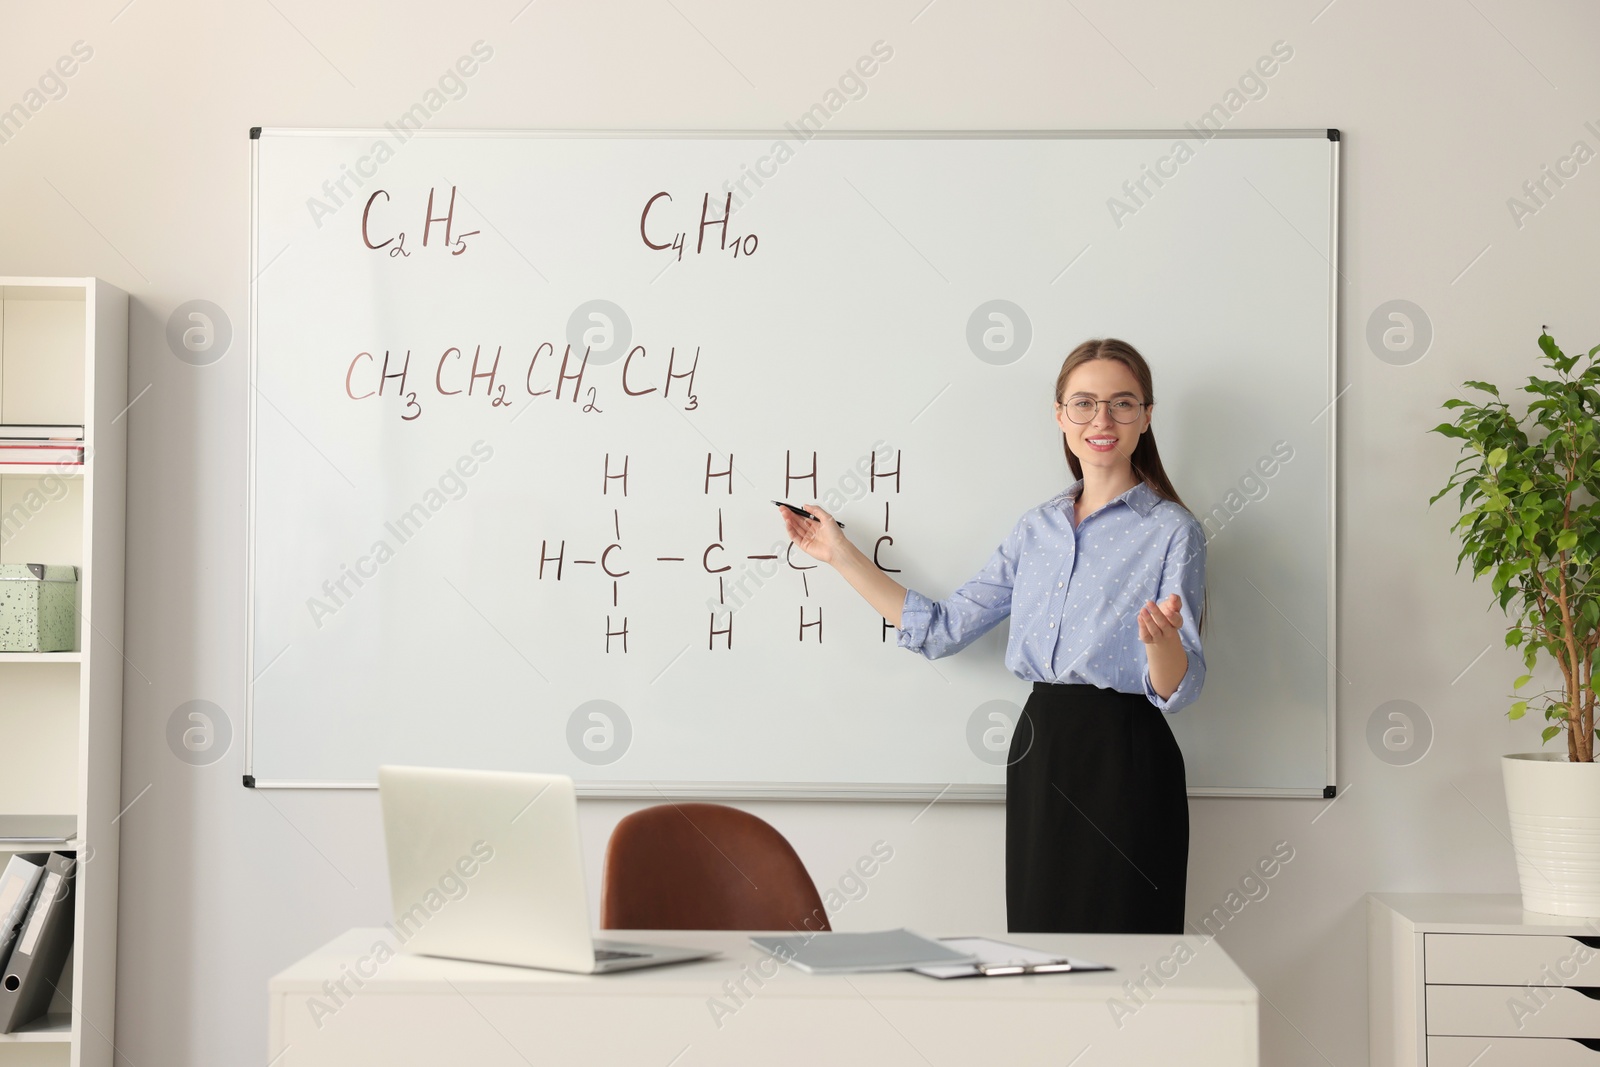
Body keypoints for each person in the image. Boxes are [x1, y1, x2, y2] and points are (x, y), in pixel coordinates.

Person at [776, 337, 1207, 934]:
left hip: (1127, 756)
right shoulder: (1036, 530)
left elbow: (1181, 687)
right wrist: (840, 554)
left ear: (1146, 417)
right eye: (1083, 404)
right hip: (1041, 749)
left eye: (1122, 404)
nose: (1101, 420)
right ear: (1060, 416)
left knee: (1129, 940)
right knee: (1043, 936)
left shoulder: (1172, 530)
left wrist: (1161, 648)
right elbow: (944, 629)